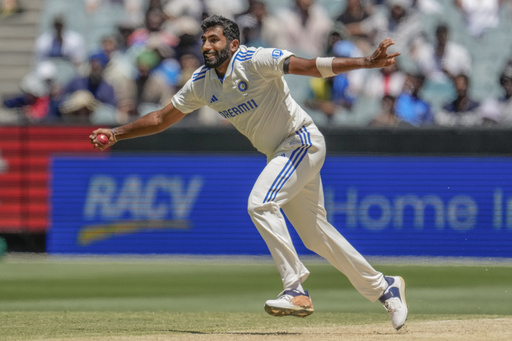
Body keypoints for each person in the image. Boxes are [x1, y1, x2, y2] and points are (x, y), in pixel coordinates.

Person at [89, 15, 408, 331]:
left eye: (214, 39)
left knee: (260, 203)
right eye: (203, 40)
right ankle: (385, 287)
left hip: (301, 141)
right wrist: (116, 134)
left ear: (234, 43)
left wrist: (366, 61)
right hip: (280, 154)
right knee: (315, 235)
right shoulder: (203, 82)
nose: (206, 46)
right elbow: (160, 118)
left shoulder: (256, 59)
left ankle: (295, 289)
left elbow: (310, 66)